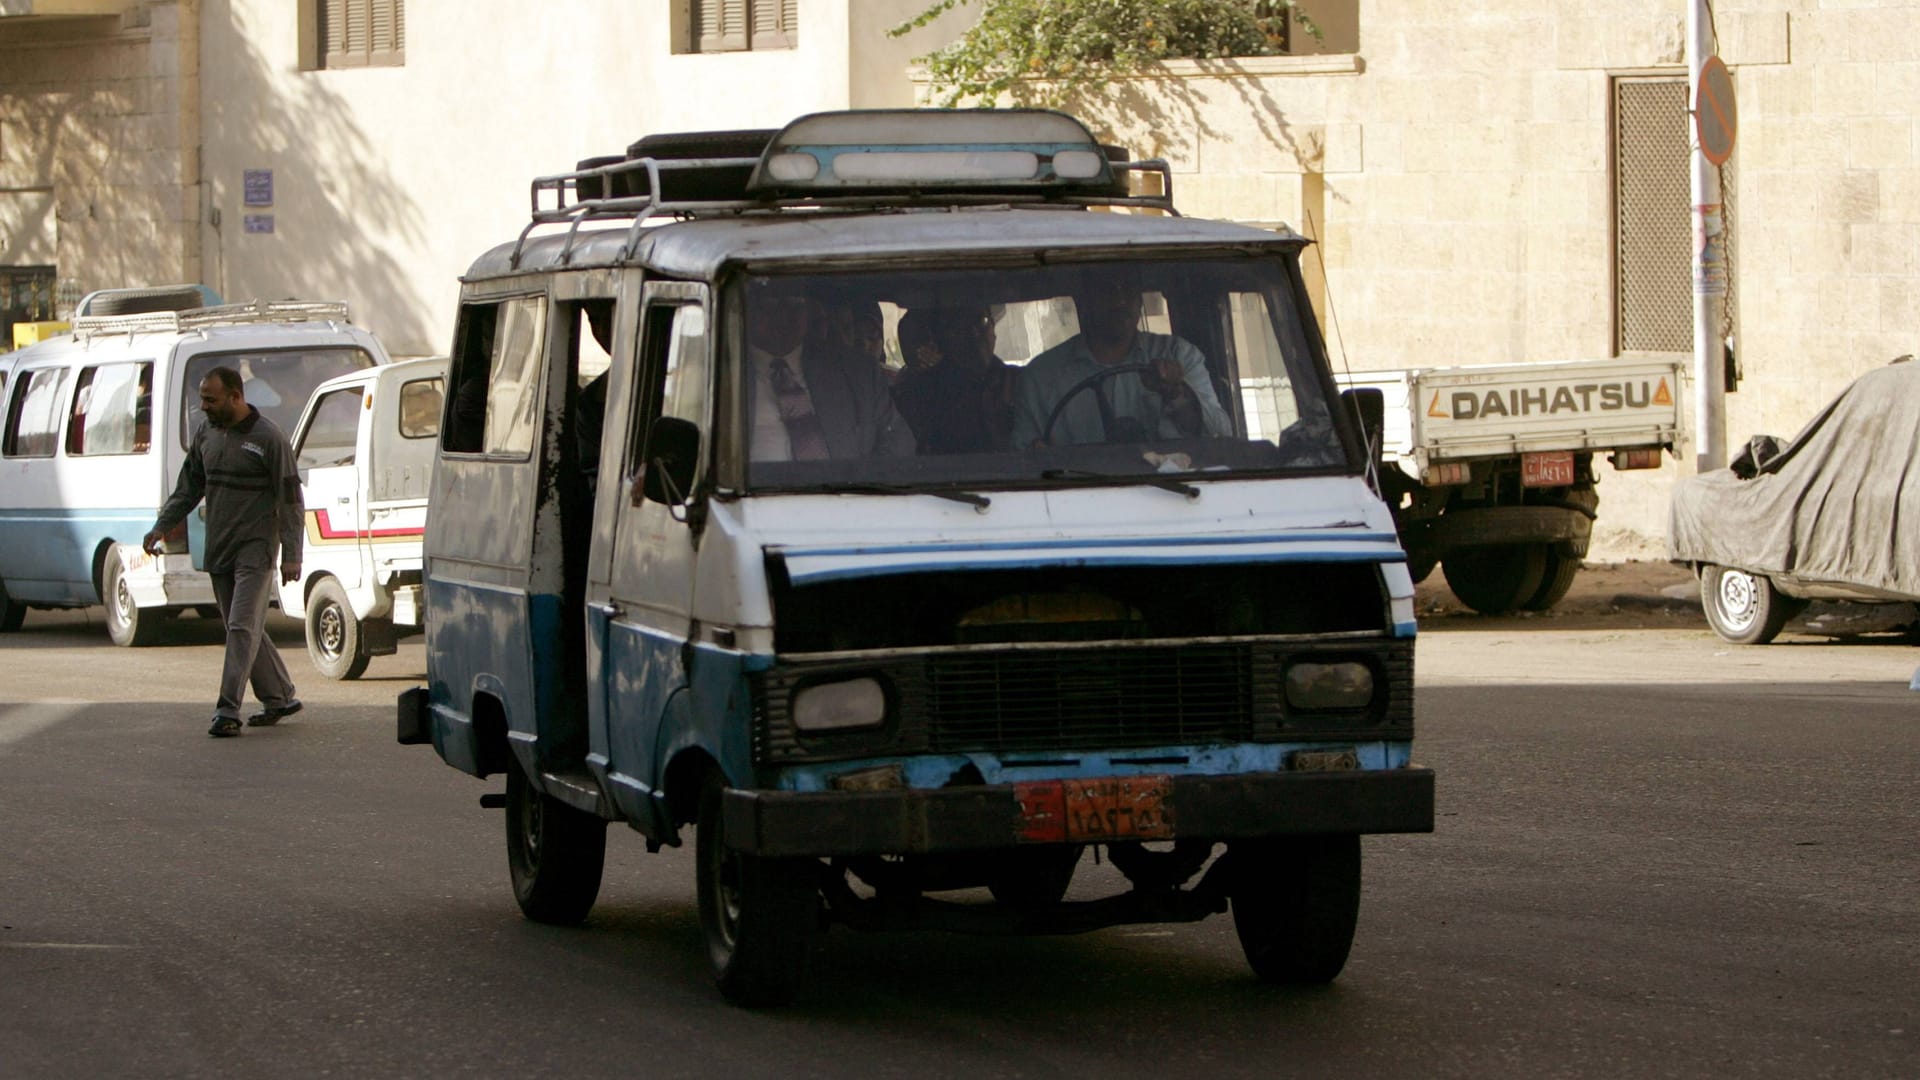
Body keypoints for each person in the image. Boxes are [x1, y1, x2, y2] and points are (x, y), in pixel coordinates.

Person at [143, 367, 304, 738]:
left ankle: (227, 709)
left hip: (257, 549)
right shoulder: (206, 434)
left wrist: (292, 554)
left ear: (235, 396)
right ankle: (279, 696)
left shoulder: (270, 438)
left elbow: (292, 501)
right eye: (202, 399)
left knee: (240, 626)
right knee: (243, 628)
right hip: (220, 548)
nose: (204, 407)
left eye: (211, 400)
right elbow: (188, 488)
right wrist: (161, 526)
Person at [1008, 275, 1231, 448]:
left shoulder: (1179, 355)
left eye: (1129, 291)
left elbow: (1220, 435)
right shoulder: (1043, 375)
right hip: (1074, 499)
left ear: (1140, 301)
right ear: (1086, 301)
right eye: (1108, 291)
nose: (1120, 301)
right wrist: (1044, 457)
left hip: (1176, 495)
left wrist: (1177, 394)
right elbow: (1024, 455)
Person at [747, 278, 916, 462]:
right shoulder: (719, 375)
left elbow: (899, 444)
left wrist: (861, 485)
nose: (784, 314)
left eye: (796, 302)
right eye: (769, 303)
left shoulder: (859, 372)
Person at [892, 305, 1016, 454]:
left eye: (982, 321)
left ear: (993, 327)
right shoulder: (921, 393)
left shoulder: (1017, 383)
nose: (975, 333)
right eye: (963, 326)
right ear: (947, 338)